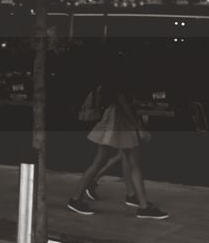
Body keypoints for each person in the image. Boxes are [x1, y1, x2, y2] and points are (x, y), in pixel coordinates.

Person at [66, 70, 168, 219]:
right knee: (131, 164)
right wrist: (138, 128)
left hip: (115, 122)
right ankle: (142, 206)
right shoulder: (121, 81)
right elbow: (124, 104)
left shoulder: (112, 79)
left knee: (102, 162)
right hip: (120, 122)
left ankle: (76, 198)